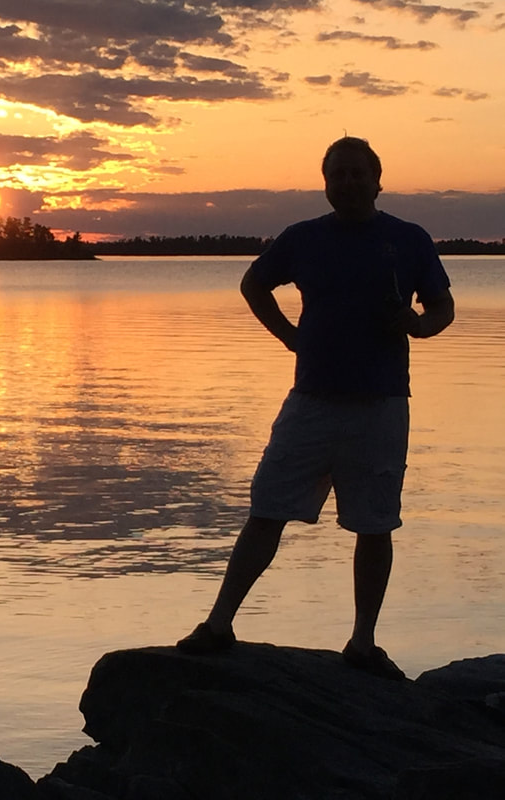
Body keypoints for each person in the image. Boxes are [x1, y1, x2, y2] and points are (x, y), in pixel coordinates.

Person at [176, 136, 455, 680]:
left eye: (358, 174)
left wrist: (419, 326)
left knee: (375, 523)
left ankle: (362, 642)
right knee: (267, 509)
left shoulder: (408, 239)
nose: (348, 183)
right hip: (311, 402)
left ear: (378, 180)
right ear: (326, 183)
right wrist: (287, 336)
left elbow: (441, 306)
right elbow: (254, 283)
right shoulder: (303, 239)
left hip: (380, 405)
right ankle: (218, 624)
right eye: (338, 175)